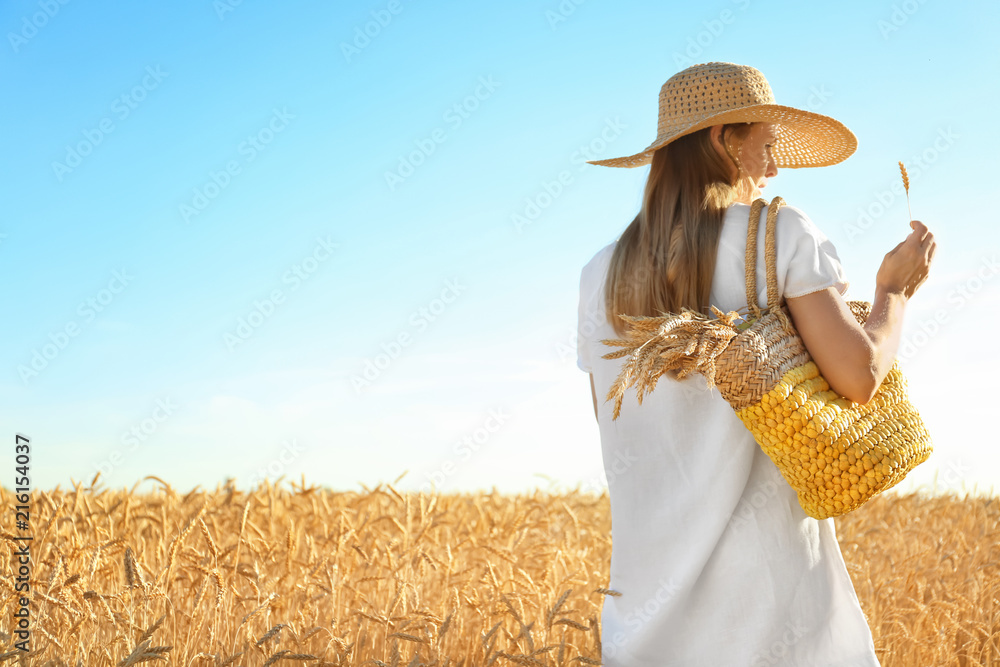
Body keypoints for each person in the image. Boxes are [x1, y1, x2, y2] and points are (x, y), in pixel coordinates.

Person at [575, 62, 935, 666]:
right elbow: (861, 376)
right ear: (722, 141)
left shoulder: (601, 275)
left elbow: (615, 427)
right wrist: (894, 292)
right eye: (767, 147)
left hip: (643, 622)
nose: (775, 170)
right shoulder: (780, 232)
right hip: (776, 611)